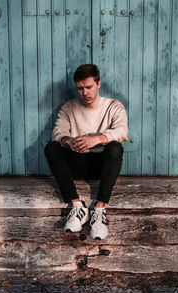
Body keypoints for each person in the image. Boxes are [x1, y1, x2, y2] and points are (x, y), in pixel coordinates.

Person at [45, 64, 128, 240]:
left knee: (115, 147)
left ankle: (99, 210)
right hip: (77, 163)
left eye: (89, 87)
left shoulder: (113, 106)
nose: (85, 93)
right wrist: (69, 141)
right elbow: (57, 133)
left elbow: (122, 132)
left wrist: (97, 138)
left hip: (102, 166)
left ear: (98, 84)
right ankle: (77, 206)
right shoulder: (69, 107)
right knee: (52, 147)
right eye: (80, 88)